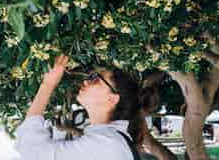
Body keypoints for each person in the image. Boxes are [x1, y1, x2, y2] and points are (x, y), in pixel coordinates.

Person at [14, 54, 158, 160]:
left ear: (112, 98)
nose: (86, 82)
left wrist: (47, 85)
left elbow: (32, 152)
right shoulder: (109, 141)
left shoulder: (106, 143)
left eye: (96, 79)